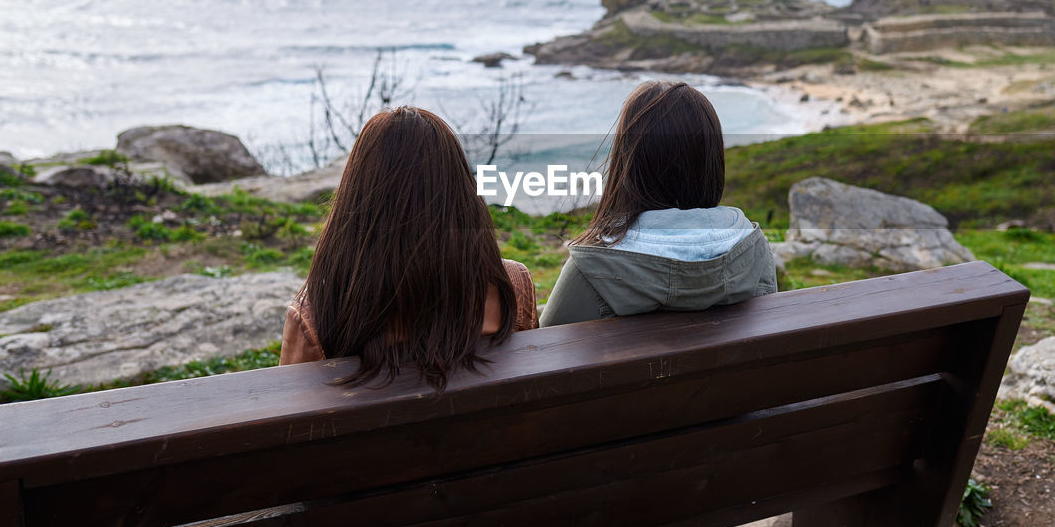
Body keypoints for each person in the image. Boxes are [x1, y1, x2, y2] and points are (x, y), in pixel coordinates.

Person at [281, 106, 537, 387]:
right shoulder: (511, 286)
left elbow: (292, 421)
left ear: (356, 204)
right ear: (462, 194)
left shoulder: (318, 313)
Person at [540, 81, 776, 327]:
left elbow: (548, 348)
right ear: (711, 161)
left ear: (629, 164)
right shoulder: (753, 248)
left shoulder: (592, 267)